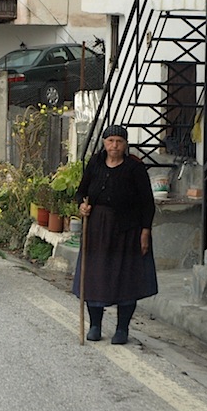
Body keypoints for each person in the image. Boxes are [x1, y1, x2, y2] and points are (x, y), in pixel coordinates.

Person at [72, 124, 158, 344]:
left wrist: (145, 231)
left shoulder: (135, 168)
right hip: (97, 229)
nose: (114, 146)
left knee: (126, 278)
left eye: (119, 141)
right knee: (95, 277)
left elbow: (147, 203)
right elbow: (81, 191)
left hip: (127, 230)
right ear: (104, 143)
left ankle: (122, 329)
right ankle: (95, 325)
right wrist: (82, 206)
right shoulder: (95, 163)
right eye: (110, 141)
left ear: (125, 144)